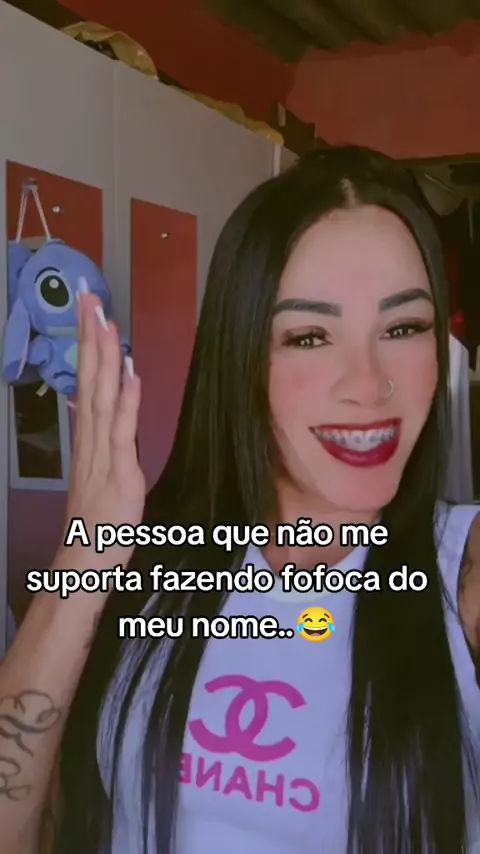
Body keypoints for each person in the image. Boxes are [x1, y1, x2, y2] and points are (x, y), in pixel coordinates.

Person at [1, 145, 480, 854]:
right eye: (310, 336)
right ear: (243, 358)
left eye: (403, 328)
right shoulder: (155, 562)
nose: (369, 383)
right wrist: (89, 551)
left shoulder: (462, 573)